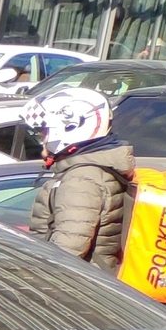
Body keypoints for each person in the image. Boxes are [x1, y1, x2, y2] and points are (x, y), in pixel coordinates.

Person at [24, 86, 134, 271]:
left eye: (44, 130)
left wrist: (35, 279)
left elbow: (68, 248)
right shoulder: (89, 171)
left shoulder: (82, 180)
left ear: (71, 127)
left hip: (75, 287)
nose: (41, 137)